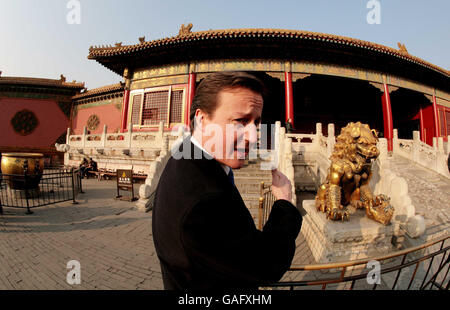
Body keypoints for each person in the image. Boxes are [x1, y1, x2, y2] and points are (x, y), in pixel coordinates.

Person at [152, 71, 302, 290]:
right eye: (240, 121)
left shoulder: (186, 154)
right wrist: (284, 203)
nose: (253, 136)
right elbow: (267, 265)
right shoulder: (203, 204)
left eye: (256, 122)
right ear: (202, 120)